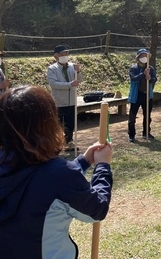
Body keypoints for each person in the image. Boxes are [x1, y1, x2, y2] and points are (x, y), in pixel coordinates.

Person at [0, 86, 113, 259]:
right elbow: (95, 210)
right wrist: (103, 166)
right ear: (48, 123)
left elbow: (38, 179)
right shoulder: (58, 176)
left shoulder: (10, 164)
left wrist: (84, 161)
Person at [47, 44, 82, 149]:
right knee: (58, 124)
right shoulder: (52, 69)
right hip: (59, 100)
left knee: (70, 123)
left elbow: (79, 80)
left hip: (71, 100)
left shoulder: (72, 66)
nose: (65, 55)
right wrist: (69, 84)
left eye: (67, 53)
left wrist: (78, 71)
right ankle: (56, 144)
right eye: (63, 53)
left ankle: (69, 141)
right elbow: (54, 84)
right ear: (56, 56)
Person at [127, 48, 157, 142]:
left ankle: (146, 132)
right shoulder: (134, 68)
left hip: (147, 95)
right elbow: (133, 78)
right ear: (138, 57)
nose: (144, 58)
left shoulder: (150, 68)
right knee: (132, 116)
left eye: (145, 56)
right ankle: (131, 135)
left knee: (147, 115)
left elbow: (154, 79)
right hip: (136, 95)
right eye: (142, 56)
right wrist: (142, 74)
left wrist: (150, 78)